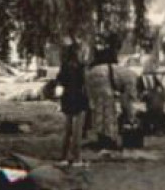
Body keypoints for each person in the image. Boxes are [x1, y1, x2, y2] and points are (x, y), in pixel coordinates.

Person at [86, 42, 138, 149]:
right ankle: (108, 140)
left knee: (98, 111)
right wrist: (130, 118)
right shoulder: (133, 79)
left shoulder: (127, 73)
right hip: (104, 80)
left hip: (93, 75)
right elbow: (127, 101)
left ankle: (101, 137)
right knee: (109, 112)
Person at [50, 37, 90, 166]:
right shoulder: (81, 68)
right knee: (77, 130)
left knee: (67, 130)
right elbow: (85, 84)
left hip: (67, 98)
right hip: (79, 98)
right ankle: (77, 158)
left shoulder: (65, 67)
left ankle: (64, 157)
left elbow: (59, 82)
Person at [137, 56, 165, 133]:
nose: (151, 67)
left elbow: (161, 87)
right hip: (145, 96)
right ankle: (157, 125)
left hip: (153, 96)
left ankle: (157, 122)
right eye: (149, 65)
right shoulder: (140, 78)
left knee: (158, 97)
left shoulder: (154, 77)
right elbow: (138, 91)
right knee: (154, 98)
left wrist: (163, 91)